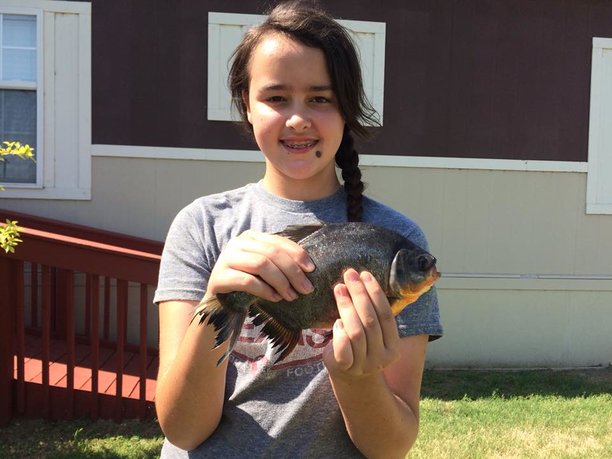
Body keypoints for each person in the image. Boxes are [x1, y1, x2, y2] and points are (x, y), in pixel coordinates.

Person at [154, 1, 442, 457]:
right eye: (275, 97)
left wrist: (354, 373)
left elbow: (391, 446)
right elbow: (182, 429)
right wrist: (218, 303)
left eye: (320, 98)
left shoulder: (394, 239)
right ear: (245, 106)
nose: (298, 118)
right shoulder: (202, 227)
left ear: (347, 110)